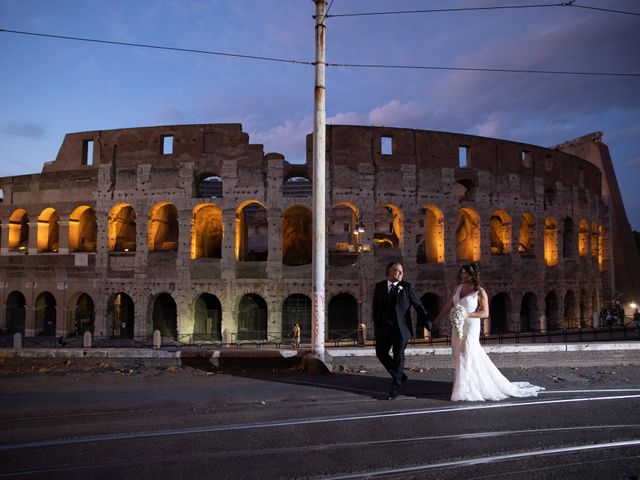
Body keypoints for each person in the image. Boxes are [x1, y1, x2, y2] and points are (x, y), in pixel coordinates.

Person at [438, 263, 544, 402]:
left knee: (467, 352)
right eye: (462, 273)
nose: (463, 276)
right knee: (457, 353)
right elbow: (449, 305)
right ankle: (464, 383)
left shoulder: (480, 292)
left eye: (466, 273)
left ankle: (467, 389)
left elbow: (485, 313)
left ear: (473, 275)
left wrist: (466, 315)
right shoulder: (457, 289)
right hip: (458, 326)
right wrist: (438, 318)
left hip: (471, 326)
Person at [372, 262, 431, 400]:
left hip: (401, 329)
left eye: (402, 272)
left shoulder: (407, 287)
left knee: (399, 356)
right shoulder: (379, 286)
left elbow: (418, 305)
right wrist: (377, 325)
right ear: (389, 272)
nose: (400, 273)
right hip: (384, 328)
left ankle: (395, 387)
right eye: (397, 271)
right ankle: (400, 375)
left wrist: (427, 321)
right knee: (380, 353)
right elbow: (375, 308)